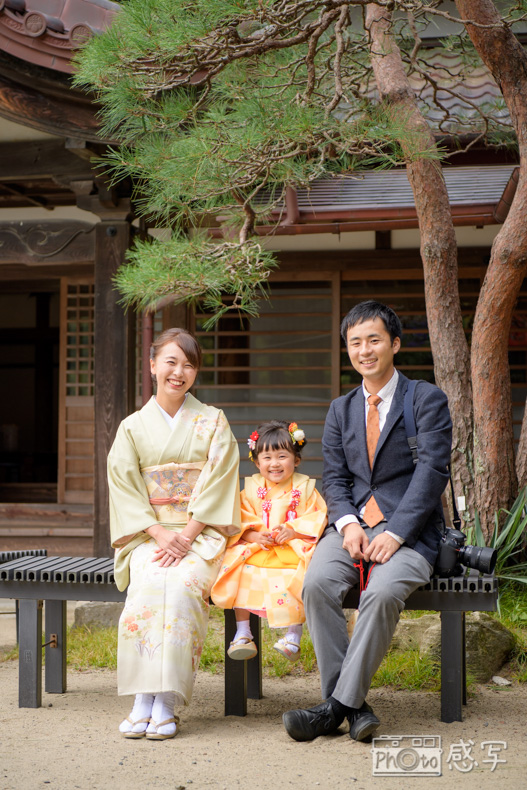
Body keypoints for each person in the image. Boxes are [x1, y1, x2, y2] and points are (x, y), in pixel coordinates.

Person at [283, 300, 452, 742]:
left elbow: (432, 472)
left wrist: (396, 533)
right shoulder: (340, 409)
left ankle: (334, 708)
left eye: (374, 339)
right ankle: (354, 706)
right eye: (355, 342)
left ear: (394, 344)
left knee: (380, 594)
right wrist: (348, 524)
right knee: (317, 585)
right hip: (352, 530)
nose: (364, 350)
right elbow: (334, 478)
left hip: (411, 534)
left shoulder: (425, 399)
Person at [107, 328, 240, 740]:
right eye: (170, 361)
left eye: (188, 364)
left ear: (195, 372)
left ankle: (165, 699)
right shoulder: (132, 427)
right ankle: (141, 698)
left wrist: (188, 532)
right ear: (152, 366)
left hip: (201, 534)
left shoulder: (213, 421)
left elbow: (220, 479)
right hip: (148, 536)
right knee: (148, 584)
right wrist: (158, 532)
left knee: (181, 586)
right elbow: (123, 484)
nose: (178, 372)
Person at [211, 420, 327, 661]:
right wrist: (252, 534)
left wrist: (294, 531)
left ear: (296, 459)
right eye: (267, 457)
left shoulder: (305, 489)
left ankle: (293, 634)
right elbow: (238, 518)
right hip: (258, 548)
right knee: (239, 571)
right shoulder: (251, 488)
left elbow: (318, 517)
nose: (274, 463)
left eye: (282, 456)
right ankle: (243, 633)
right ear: (256, 462)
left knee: (300, 576)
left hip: (291, 549)